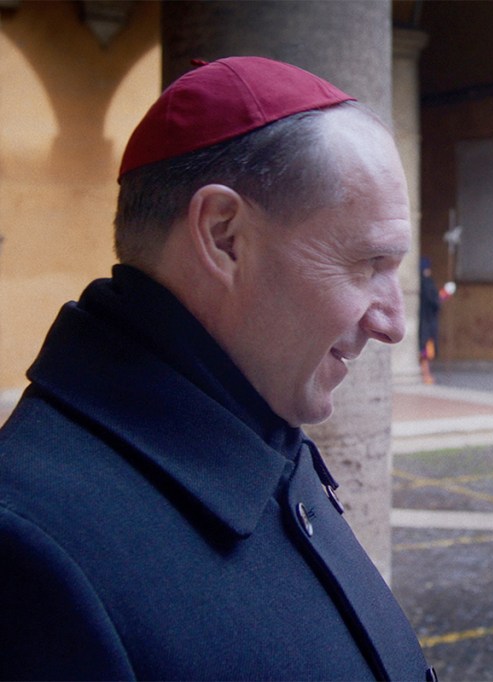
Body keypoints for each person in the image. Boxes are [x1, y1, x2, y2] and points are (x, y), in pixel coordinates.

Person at [0, 56, 435, 681]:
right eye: (367, 263)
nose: (393, 323)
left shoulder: (262, 430)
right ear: (224, 237)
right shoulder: (29, 554)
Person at [418, 257, 454, 384]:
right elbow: (435, 300)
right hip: (427, 321)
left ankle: (426, 374)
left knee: (426, 349)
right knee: (426, 350)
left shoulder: (419, 282)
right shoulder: (426, 283)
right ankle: (426, 375)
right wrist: (446, 292)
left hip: (423, 319)